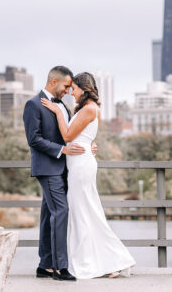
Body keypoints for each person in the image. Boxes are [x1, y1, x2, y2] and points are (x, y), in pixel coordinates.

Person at [41, 71, 136, 279]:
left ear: (83, 89)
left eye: (73, 89)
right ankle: (105, 261)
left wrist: (57, 111)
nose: (71, 93)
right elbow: (82, 137)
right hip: (79, 162)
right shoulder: (89, 108)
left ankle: (113, 260)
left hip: (81, 165)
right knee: (83, 212)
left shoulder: (89, 109)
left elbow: (67, 135)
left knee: (84, 213)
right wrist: (88, 145)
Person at [23, 66, 97, 281]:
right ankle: (59, 267)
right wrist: (62, 150)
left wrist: (86, 145)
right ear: (53, 82)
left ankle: (45, 265)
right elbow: (34, 139)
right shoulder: (33, 104)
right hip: (47, 168)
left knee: (48, 215)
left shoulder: (63, 105)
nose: (67, 91)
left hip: (64, 167)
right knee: (61, 211)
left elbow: (70, 134)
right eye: (65, 86)